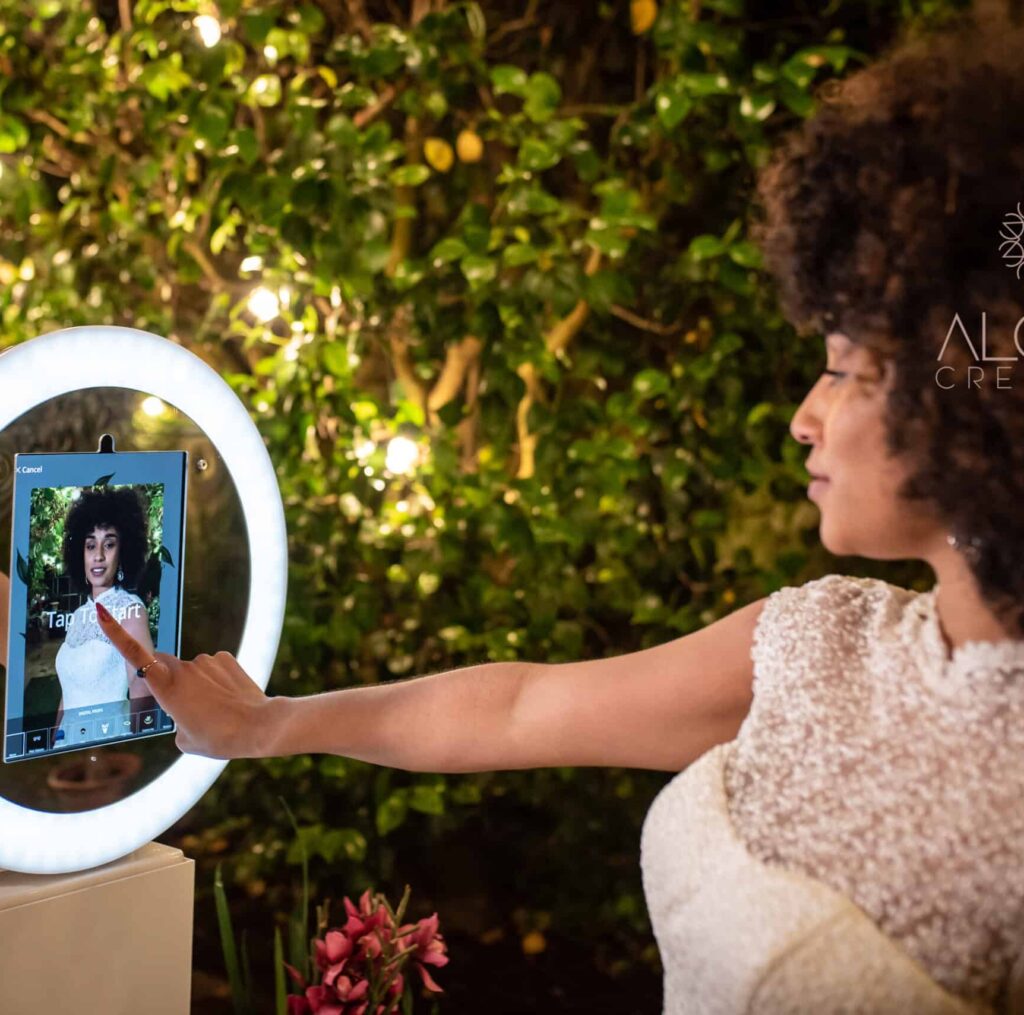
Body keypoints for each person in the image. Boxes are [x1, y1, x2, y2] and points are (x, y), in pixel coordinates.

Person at [93, 1, 1024, 1010]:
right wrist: (267, 723)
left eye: (844, 368)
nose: (805, 415)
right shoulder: (818, 640)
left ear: (972, 387)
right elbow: (517, 705)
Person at [53, 486, 157, 745]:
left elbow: (142, 689)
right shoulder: (78, 616)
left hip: (108, 749)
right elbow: (67, 696)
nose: (98, 555)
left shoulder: (130, 610)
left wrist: (131, 756)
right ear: (80, 554)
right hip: (64, 750)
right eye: (90, 545)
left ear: (123, 553)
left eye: (109, 544)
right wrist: (52, 745)